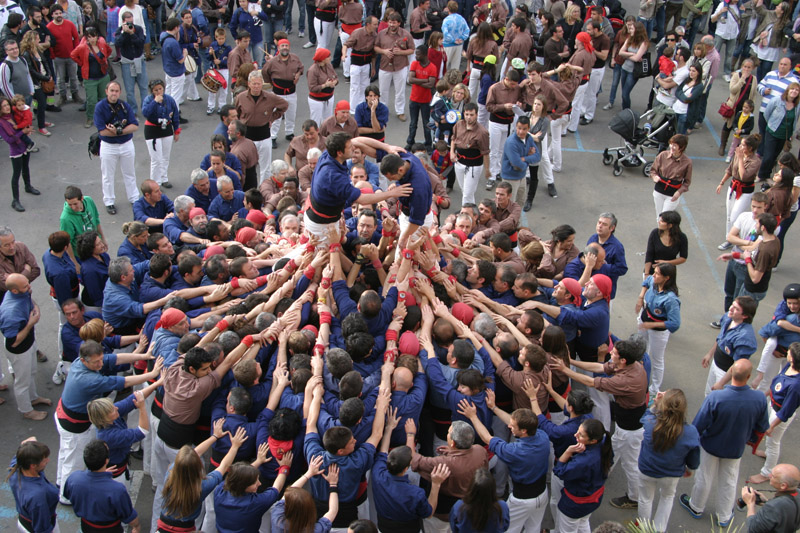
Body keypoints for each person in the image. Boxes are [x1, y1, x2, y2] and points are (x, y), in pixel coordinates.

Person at [680, 359, 769, 528]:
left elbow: (698, 425)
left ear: (731, 373)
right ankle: (724, 515)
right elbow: (762, 426)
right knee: (729, 480)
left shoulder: (716, 397)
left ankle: (696, 506)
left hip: (710, 445)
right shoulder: (758, 398)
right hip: (735, 448)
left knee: (704, 477)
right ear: (749, 376)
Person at [156, 421, 248, 532]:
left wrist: (214, 436)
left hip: (163, 525)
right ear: (197, 466)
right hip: (185, 529)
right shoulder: (202, 486)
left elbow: (193, 454)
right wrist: (235, 446)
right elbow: (223, 467)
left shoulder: (171, 473)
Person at [637, 389, 701, 533]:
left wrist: (655, 403)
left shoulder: (651, 423)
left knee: (645, 499)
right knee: (667, 497)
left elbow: (645, 416)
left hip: (647, 469)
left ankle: (643, 530)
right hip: (671, 474)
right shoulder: (690, 432)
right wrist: (690, 468)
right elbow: (694, 458)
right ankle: (659, 530)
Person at [747, 342, 800, 485]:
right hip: (773, 404)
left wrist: (772, 426)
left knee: (773, 442)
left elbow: (786, 411)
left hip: (779, 414)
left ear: (793, 358)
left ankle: (766, 472)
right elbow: (776, 384)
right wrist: (765, 395)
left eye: (789, 352)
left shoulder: (796, 385)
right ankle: (768, 456)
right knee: (770, 439)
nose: (787, 353)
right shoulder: (789, 367)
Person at [63, 439, 141, 532]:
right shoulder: (117, 489)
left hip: (86, 526)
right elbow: (130, 518)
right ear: (106, 461)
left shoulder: (74, 478)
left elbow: (68, 495)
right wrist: (136, 526)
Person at [0, 273, 49, 420]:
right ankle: (26, 410)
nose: (29, 287)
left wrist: (36, 311)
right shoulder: (11, 312)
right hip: (19, 350)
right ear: (14, 291)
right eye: (25, 286)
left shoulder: (22, 293)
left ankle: (33, 398)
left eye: (28, 283)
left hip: (28, 343)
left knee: (31, 373)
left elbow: (29, 300)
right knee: (22, 382)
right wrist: (31, 323)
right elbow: (13, 341)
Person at [552, 418, 613, 533]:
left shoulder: (583, 462)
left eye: (581, 435)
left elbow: (559, 471)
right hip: (594, 496)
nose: (576, 435)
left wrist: (568, 452)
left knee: (568, 529)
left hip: (575, 504)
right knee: (583, 523)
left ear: (593, 441)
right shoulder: (604, 445)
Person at [635, 263, 681, 398]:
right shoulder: (654, 282)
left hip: (657, 332)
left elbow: (674, 324)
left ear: (667, 278)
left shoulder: (671, 299)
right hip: (644, 320)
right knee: (641, 349)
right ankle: (640, 375)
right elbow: (646, 281)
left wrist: (652, 326)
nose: (653, 275)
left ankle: (654, 389)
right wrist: (640, 298)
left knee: (657, 359)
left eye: (657, 274)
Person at [94, 81, 139, 216]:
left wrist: (118, 131)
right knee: (108, 175)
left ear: (120, 92)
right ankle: (109, 201)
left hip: (126, 144)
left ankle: (134, 198)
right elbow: (102, 131)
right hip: (109, 146)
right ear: (106, 91)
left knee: (129, 173)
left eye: (116, 91)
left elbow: (135, 126)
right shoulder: (100, 107)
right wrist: (121, 131)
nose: (114, 93)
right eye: (111, 90)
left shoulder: (124, 106)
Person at [235, 70, 288, 183]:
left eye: (259, 83)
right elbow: (235, 113)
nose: (256, 86)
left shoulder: (270, 97)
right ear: (249, 84)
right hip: (247, 137)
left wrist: (272, 117)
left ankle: (264, 189)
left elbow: (284, 105)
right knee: (247, 166)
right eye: (254, 83)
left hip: (264, 136)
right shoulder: (241, 97)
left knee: (266, 168)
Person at [702, 295, 758, 394]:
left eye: (736, 309)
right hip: (715, 363)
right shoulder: (728, 318)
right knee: (708, 393)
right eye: (732, 305)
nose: (730, 309)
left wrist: (721, 383)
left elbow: (737, 365)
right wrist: (710, 354)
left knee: (718, 400)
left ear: (745, 316)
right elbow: (721, 338)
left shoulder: (745, 337)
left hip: (724, 372)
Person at [8, 438, 60, 533]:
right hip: (40, 526)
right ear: (33, 466)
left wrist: (31, 446)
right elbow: (42, 528)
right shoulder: (37, 496)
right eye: (44, 460)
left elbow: (24, 447)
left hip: (24, 521)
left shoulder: (15, 468)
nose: (48, 460)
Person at [717, 133, 761, 243]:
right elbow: (730, 169)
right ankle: (729, 238)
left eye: (742, 145)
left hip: (745, 191)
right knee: (728, 216)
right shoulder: (738, 155)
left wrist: (741, 159)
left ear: (750, 148)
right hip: (733, 187)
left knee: (735, 216)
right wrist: (722, 183)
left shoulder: (755, 162)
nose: (740, 147)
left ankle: (737, 238)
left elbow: (744, 176)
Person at [375, 11, 414, 122]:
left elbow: (412, 49)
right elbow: (375, 47)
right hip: (384, 66)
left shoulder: (406, 34)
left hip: (400, 67)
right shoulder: (381, 33)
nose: (392, 25)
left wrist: (401, 52)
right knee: (382, 91)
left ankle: (400, 111)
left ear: (399, 23)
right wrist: (384, 51)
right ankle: (383, 111)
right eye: (390, 22)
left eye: (394, 23)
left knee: (400, 91)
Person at [263, 37, 303, 144]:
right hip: (277, 93)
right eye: (282, 46)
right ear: (278, 48)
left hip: (291, 91)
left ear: (289, 47)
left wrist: (298, 75)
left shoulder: (295, 59)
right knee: (276, 115)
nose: (284, 48)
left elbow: (301, 68)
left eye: (286, 45)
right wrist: (271, 83)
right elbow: (265, 72)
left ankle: (289, 132)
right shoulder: (272, 62)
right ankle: (273, 136)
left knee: (291, 113)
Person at [142, 79, 180, 189]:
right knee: (156, 159)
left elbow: (175, 115)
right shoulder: (148, 100)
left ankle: (164, 178)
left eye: (160, 89)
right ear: (152, 91)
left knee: (165, 157)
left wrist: (176, 130)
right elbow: (146, 113)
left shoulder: (169, 99)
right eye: (155, 90)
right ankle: (155, 183)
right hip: (152, 129)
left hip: (166, 128)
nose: (158, 92)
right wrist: (155, 102)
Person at [486, 69, 521, 187]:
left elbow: (521, 100)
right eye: (512, 84)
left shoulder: (517, 88)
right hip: (496, 122)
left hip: (509, 123)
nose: (514, 87)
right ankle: (491, 176)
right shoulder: (494, 88)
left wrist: (520, 104)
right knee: (493, 150)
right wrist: (503, 106)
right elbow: (489, 106)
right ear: (506, 79)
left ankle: (497, 171)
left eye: (516, 84)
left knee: (502, 150)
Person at [71, 26, 112, 128]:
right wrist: (82, 64)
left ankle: (104, 117)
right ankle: (90, 118)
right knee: (92, 100)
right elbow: (73, 55)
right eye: (89, 37)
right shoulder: (82, 47)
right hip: (90, 79)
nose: (92, 39)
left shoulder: (102, 44)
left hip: (103, 76)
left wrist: (105, 60)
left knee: (104, 98)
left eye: (94, 36)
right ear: (86, 38)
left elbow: (109, 50)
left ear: (97, 36)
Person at [450, 102, 490, 205]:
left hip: (473, 166)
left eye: (471, 115)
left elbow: (485, 152)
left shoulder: (482, 132)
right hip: (459, 163)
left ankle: (465, 214)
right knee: (465, 191)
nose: (469, 117)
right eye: (467, 114)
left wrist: (487, 170)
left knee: (467, 193)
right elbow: (453, 139)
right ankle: (472, 210)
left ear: (476, 115)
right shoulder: (459, 125)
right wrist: (452, 153)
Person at [0, 96, 35, 212]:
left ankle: (28, 186)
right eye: (4, 106)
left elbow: (24, 122)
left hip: (24, 146)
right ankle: (15, 200)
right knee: (16, 174)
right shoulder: (1, 122)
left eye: (7, 105)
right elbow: (9, 140)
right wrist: (23, 132)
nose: (7, 107)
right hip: (15, 151)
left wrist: (27, 129)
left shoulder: (14, 115)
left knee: (26, 168)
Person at [760, 82, 800, 182]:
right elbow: (767, 114)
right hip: (772, 132)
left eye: (797, 90)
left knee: (774, 156)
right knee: (768, 156)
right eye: (792, 89)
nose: (794, 91)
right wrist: (771, 125)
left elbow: (795, 120)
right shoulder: (777, 100)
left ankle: (767, 174)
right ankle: (761, 175)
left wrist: (790, 135)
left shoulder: (797, 105)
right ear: (788, 90)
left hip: (784, 135)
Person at [742, 463, 800, 532]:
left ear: (783, 486)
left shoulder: (773, 507)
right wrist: (766, 501)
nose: (769, 476)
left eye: (773, 476)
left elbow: (753, 529)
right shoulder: (797, 492)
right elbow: (786, 508)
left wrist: (750, 503)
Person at [719, 59, 757, 157]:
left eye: (749, 67)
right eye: (745, 67)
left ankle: (739, 149)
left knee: (742, 128)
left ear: (752, 68)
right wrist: (742, 80)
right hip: (734, 106)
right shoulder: (737, 76)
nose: (746, 69)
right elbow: (733, 89)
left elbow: (753, 94)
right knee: (729, 125)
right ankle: (722, 145)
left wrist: (751, 108)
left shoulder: (754, 79)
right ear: (742, 66)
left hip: (745, 108)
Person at [649, 134, 692, 222]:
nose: (672, 147)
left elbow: (687, 182)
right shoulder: (663, 155)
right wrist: (654, 177)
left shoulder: (687, 162)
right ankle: (661, 235)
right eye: (671, 144)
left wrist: (679, 192)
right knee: (659, 218)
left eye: (675, 145)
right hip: (659, 191)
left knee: (664, 218)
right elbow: (653, 170)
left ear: (682, 147)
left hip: (672, 194)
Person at [19, 30, 53, 136]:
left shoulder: (38, 50)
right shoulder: (26, 54)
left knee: (41, 102)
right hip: (36, 83)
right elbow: (31, 71)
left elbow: (45, 62)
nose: (39, 40)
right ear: (32, 40)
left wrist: (49, 74)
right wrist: (45, 78)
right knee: (41, 104)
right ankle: (41, 126)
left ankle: (41, 121)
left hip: (44, 80)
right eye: (37, 38)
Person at [501, 116, 540, 208]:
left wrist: (524, 158)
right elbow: (517, 165)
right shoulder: (511, 143)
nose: (521, 132)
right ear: (516, 127)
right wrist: (529, 157)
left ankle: (516, 221)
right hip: (510, 178)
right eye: (519, 128)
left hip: (521, 177)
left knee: (520, 202)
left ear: (528, 129)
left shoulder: (529, 138)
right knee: (509, 205)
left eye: (524, 129)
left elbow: (537, 156)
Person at [47, 4, 82, 107]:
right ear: (52, 15)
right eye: (56, 13)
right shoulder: (49, 27)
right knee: (60, 78)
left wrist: (76, 51)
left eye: (60, 13)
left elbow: (76, 37)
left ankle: (75, 94)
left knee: (73, 77)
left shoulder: (70, 24)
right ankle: (63, 96)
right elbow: (49, 43)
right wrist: (53, 55)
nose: (59, 15)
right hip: (58, 57)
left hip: (71, 56)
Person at [115, 10, 147, 116]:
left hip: (139, 61)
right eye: (127, 22)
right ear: (123, 22)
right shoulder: (120, 31)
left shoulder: (138, 29)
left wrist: (132, 33)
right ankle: (133, 110)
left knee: (143, 87)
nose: (130, 25)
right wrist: (124, 33)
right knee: (129, 90)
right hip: (127, 63)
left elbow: (141, 43)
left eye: (131, 22)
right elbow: (117, 43)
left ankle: (145, 108)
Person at [344, 16, 378, 111]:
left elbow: (373, 54)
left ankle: (362, 106)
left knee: (365, 86)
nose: (376, 26)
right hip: (356, 63)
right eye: (375, 24)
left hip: (366, 64)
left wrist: (373, 67)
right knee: (355, 87)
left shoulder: (375, 35)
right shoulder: (357, 33)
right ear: (368, 24)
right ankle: (353, 109)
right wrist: (343, 55)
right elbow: (346, 44)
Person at [616, 21, 648, 110]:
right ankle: (624, 109)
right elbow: (620, 52)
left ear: (637, 30)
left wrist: (627, 55)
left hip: (633, 72)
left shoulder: (643, 43)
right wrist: (631, 54)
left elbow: (636, 59)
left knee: (625, 93)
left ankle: (627, 111)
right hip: (624, 68)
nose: (630, 31)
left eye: (632, 29)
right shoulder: (629, 39)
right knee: (624, 92)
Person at [307, 47, 337, 127]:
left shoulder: (329, 65)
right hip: (317, 100)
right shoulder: (312, 70)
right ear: (322, 58)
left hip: (329, 97)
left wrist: (335, 82)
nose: (330, 58)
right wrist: (325, 85)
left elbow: (335, 77)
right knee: (315, 122)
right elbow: (312, 88)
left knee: (328, 120)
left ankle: (326, 137)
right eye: (328, 56)